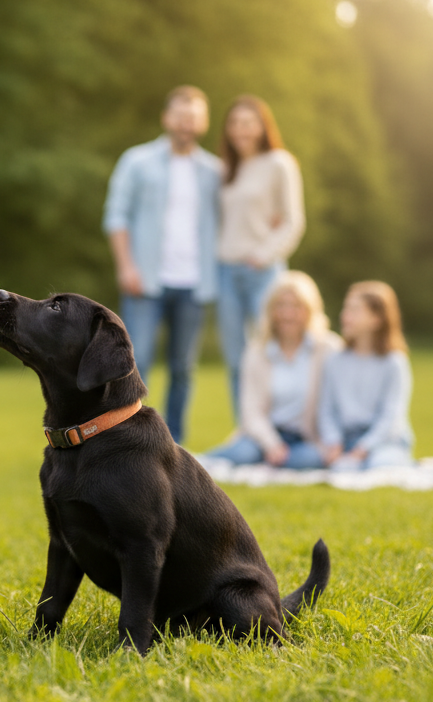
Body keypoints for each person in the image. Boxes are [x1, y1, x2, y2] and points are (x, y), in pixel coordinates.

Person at [102, 85, 223, 443]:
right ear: (166, 118)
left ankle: (173, 447)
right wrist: (127, 267)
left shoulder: (214, 171)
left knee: (183, 369)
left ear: (203, 123)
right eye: (181, 116)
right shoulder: (137, 161)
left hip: (195, 283)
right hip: (146, 281)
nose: (187, 124)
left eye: (194, 118)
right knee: (133, 366)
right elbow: (116, 216)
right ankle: (126, 443)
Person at [216, 95, 306, 419]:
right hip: (226, 272)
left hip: (263, 271)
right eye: (234, 123)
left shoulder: (280, 163)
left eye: (248, 123)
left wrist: (264, 254)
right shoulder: (225, 169)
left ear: (262, 127)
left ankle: (277, 424)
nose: (241, 130)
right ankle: (246, 428)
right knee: (236, 358)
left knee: (271, 353)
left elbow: (294, 221)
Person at [204, 271, 342, 468]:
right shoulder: (256, 351)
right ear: (271, 310)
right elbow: (251, 411)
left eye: (296, 306)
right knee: (242, 454)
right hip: (263, 436)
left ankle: (273, 463)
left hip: (306, 439)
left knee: (306, 460)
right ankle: (186, 465)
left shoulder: (328, 349)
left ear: (310, 310)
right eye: (281, 305)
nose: (287, 314)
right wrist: (272, 444)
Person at [318, 281, 415, 470]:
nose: (345, 316)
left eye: (355, 310)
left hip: (386, 441)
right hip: (347, 440)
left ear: (376, 319)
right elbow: (326, 409)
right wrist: (333, 442)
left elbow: (391, 416)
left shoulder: (394, 362)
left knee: (380, 465)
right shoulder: (335, 360)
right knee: (343, 469)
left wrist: (364, 448)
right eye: (346, 309)